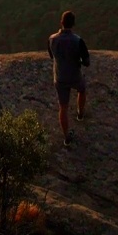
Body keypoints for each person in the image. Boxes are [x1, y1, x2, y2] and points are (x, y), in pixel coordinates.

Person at [48, 10, 90, 147]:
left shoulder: (52, 39)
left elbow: (51, 55)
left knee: (63, 107)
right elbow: (87, 62)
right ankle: (80, 114)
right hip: (74, 75)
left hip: (59, 77)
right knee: (82, 89)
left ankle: (66, 138)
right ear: (73, 24)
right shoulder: (78, 41)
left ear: (61, 22)